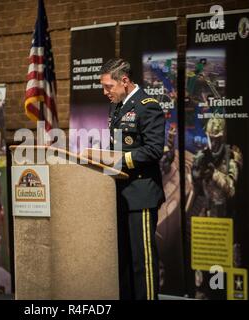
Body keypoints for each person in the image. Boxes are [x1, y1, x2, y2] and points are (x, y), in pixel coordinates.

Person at [100, 58, 166, 300]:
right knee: (124, 260)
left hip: (141, 194)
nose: (105, 92)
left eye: (109, 87)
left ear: (124, 81)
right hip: (119, 193)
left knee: (142, 262)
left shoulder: (147, 106)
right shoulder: (116, 106)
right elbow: (115, 146)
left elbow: (153, 150)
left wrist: (118, 161)